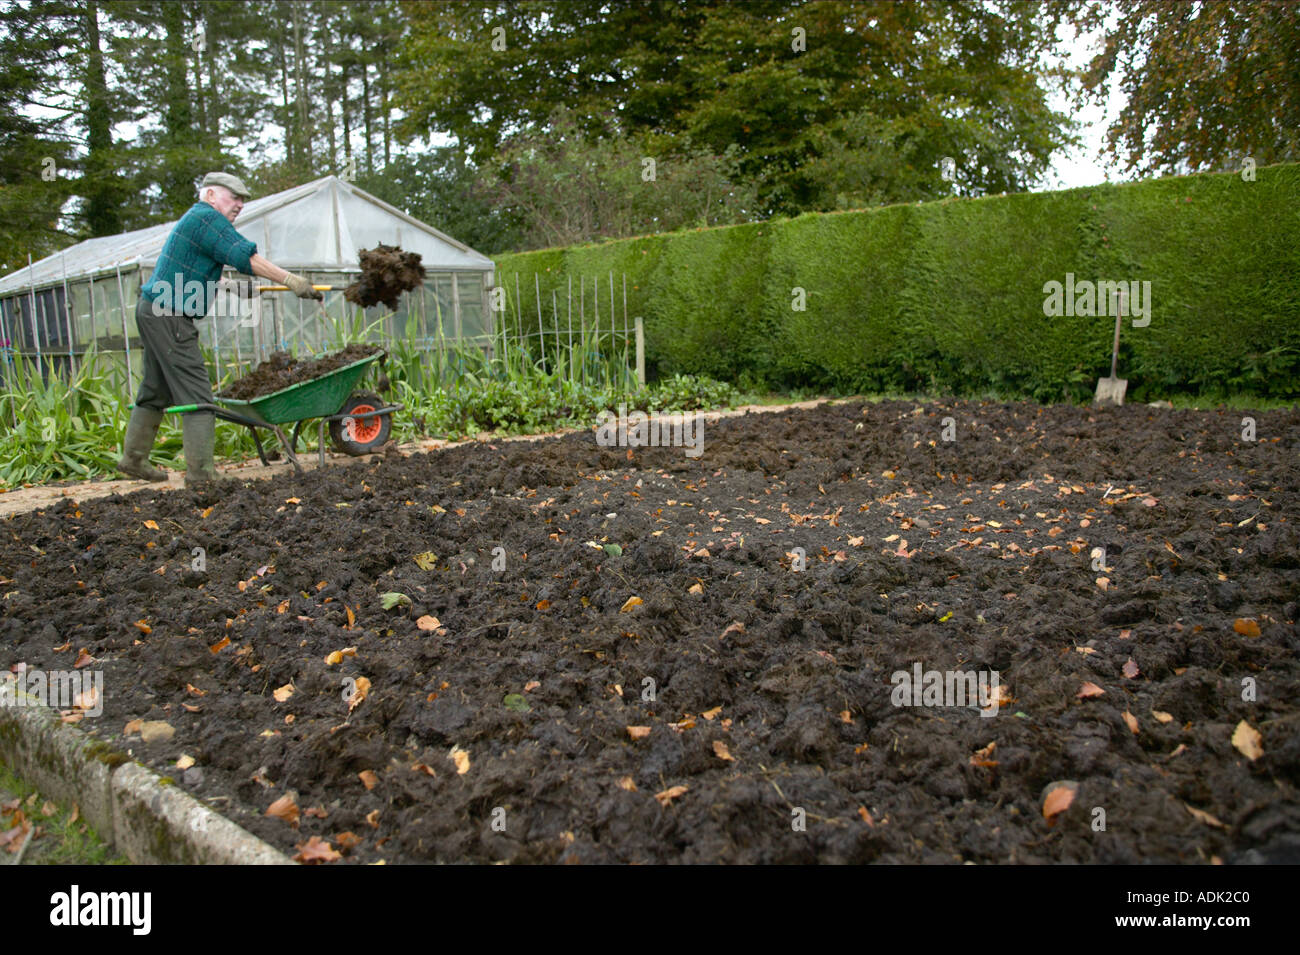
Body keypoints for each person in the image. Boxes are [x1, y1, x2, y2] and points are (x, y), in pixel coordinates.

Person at [117, 172, 322, 485]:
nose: (240, 204)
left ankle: (133, 458)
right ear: (211, 194)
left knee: (156, 388)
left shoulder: (196, 221)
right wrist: (290, 280)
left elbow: (191, 269)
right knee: (198, 393)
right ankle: (202, 477)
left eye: (243, 199)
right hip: (170, 315)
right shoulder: (208, 219)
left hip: (153, 310)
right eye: (234, 196)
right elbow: (244, 255)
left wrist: (230, 287)